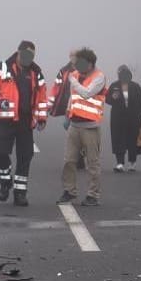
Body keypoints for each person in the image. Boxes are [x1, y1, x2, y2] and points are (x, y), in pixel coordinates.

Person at [0, 40, 50, 206]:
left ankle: (20, 193)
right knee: (1, 152)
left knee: (25, 156)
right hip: (6, 119)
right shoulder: (4, 67)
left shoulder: (37, 73)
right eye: (26, 54)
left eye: (32, 55)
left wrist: (42, 118)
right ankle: (5, 183)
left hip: (25, 120)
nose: (29, 58)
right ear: (18, 52)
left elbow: (42, 98)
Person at [57, 47, 108, 206]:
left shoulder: (99, 77)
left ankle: (93, 195)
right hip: (75, 124)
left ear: (90, 64)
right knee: (69, 160)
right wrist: (68, 111)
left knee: (92, 163)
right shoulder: (75, 75)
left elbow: (87, 93)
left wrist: (73, 81)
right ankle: (69, 191)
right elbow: (73, 97)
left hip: (90, 126)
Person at [106, 64, 141, 173]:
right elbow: (107, 99)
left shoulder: (135, 86)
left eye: (126, 74)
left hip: (133, 118)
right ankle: (120, 163)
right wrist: (113, 98)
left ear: (129, 75)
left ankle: (132, 163)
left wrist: (140, 116)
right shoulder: (114, 86)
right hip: (118, 118)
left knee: (133, 140)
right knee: (118, 139)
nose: (123, 76)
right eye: (121, 74)